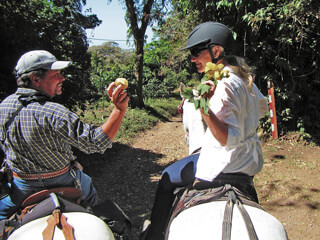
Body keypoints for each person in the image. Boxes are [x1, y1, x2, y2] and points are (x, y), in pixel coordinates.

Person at [140, 22, 269, 240]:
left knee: (166, 177)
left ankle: (153, 235)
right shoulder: (244, 78)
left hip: (222, 165)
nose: (192, 59)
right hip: (247, 164)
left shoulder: (223, 84)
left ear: (216, 51)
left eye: (196, 52)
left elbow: (228, 138)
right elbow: (263, 108)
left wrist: (204, 107)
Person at [0, 50, 129, 220]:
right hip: (64, 181)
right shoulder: (54, 112)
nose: (62, 78)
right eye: (56, 74)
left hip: (21, 188)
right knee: (88, 190)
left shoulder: (3, 107)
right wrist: (119, 110)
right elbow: (95, 142)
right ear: (35, 79)